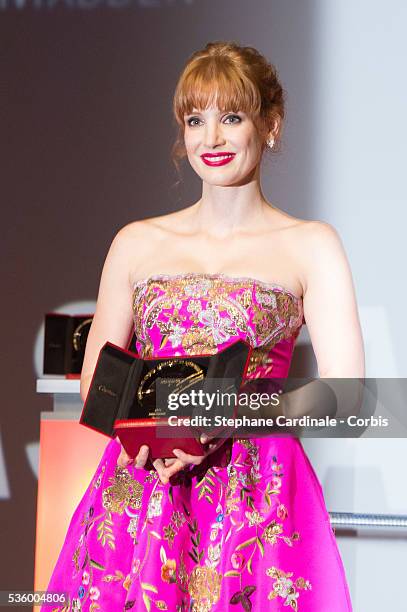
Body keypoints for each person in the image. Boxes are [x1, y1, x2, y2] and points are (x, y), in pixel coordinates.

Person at [43, 41, 364, 611]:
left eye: (231, 117)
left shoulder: (311, 246)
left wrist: (219, 421)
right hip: (143, 493)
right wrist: (159, 430)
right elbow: (99, 386)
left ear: (270, 124)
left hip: (257, 500)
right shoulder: (137, 243)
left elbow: (347, 398)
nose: (211, 138)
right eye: (196, 119)